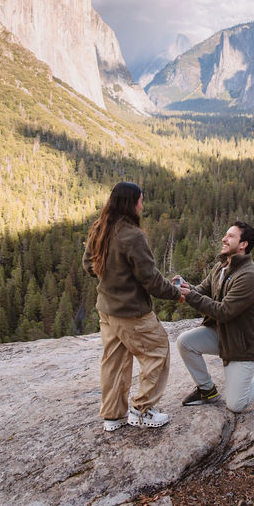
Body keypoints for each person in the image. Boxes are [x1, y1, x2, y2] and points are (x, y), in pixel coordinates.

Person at [82, 182, 183, 432]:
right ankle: (142, 410)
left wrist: (112, 279)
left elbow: (88, 265)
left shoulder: (100, 228)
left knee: (114, 361)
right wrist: (176, 294)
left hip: (106, 310)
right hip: (131, 313)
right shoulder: (133, 236)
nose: (143, 205)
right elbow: (150, 280)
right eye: (140, 200)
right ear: (131, 204)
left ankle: (113, 416)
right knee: (157, 349)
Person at [174, 221, 254, 413]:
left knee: (236, 405)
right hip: (222, 334)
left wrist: (190, 295)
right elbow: (201, 291)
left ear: (243, 244)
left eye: (230, 236)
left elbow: (223, 312)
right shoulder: (220, 267)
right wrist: (186, 287)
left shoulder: (249, 276)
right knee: (185, 342)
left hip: (242, 344)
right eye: (226, 235)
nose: (224, 239)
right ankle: (206, 390)